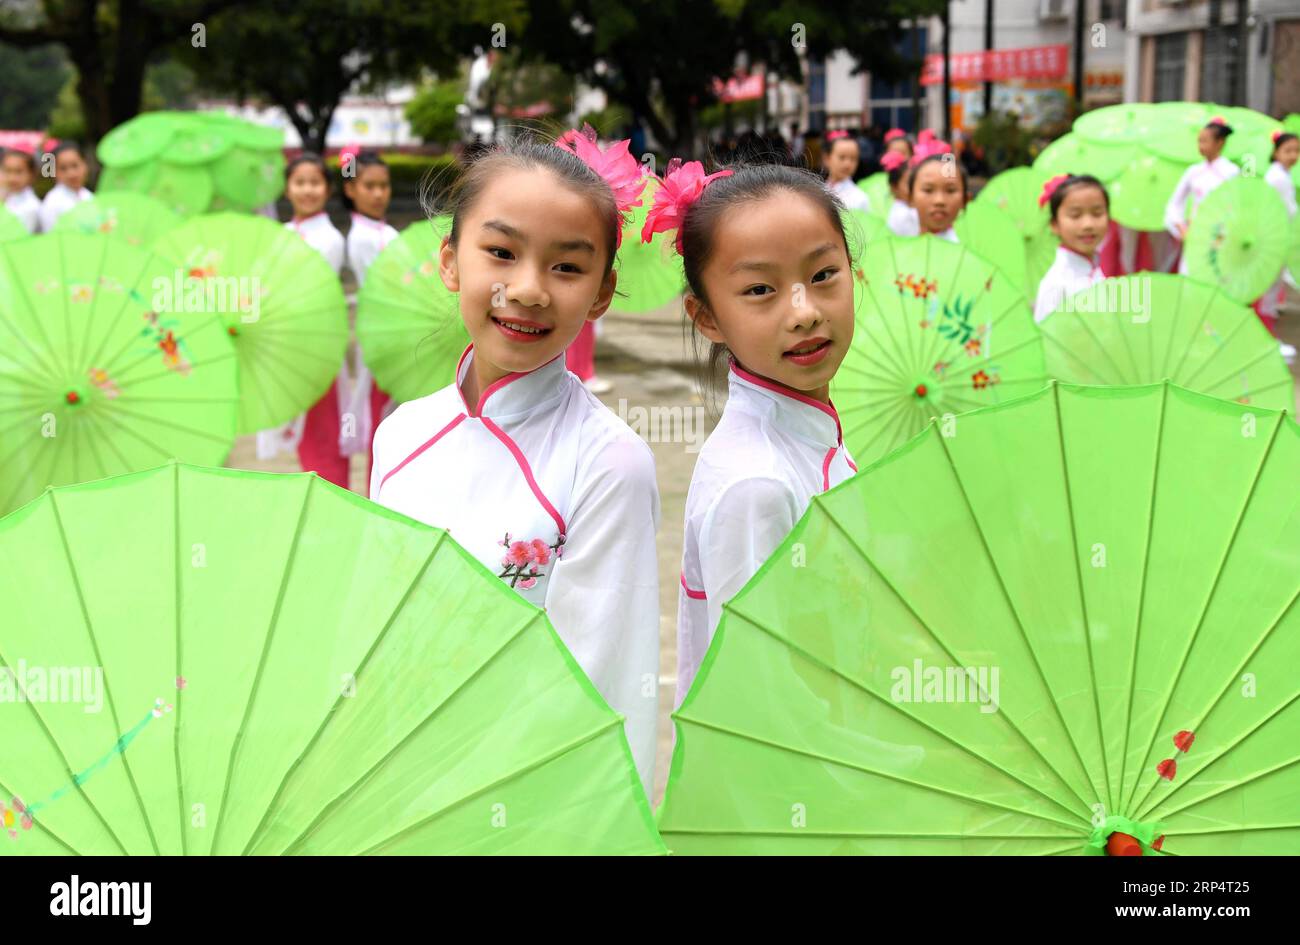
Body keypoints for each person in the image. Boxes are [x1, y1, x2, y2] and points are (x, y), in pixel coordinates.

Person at [369, 129, 661, 792]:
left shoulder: (610, 463)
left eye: (567, 266)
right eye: (500, 252)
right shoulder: (399, 436)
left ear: (604, 291)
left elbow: (606, 691)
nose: (528, 290)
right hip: (398, 795)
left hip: (525, 803)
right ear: (450, 261)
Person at [649, 160, 858, 704]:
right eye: (761, 288)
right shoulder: (756, 484)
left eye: (823, 275)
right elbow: (761, 698)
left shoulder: (811, 436)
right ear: (708, 318)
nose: (804, 312)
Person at [255, 153, 347, 475]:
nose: (307, 190)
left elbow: (310, 291)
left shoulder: (331, 239)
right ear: (287, 188)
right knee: (301, 434)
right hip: (284, 342)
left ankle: (332, 502)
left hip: (314, 343)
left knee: (322, 432)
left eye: (315, 182)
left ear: (327, 189)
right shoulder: (278, 234)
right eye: (300, 182)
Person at [341, 150, 400, 481]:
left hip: (390, 334)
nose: (379, 194)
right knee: (383, 423)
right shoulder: (362, 237)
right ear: (351, 190)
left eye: (384, 185)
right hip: (381, 338)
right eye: (369, 186)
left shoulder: (382, 231)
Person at [1163, 116, 1239, 275]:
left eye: (1205, 141)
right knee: (1190, 275)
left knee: (1216, 277)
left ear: (1220, 143)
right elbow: (1175, 203)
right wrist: (1181, 227)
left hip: (1221, 234)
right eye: (1199, 141)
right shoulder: (1193, 171)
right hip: (1195, 233)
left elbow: (1236, 205)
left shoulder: (1231, 172)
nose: (1200, 146)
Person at [1033, 174, 1109, 323]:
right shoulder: (1056, 284)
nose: (1088, 224)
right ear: (1055, 224)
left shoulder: (1097, 270)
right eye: (1075, 215)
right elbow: (1045, 338)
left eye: (1097, 213)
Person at [1261, 130, 1298, 361]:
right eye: (1288, 151)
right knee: (1269, 292)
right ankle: (1266, 338)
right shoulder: (1277, 177)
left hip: (1278, 238)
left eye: (1296, 150)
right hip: (1274, 239)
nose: (1293, 155)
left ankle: (1268, 336)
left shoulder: (1282, 175)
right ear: (1276, 152)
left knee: (1272, 292)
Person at [909, 144, 966, 242]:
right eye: (928, 190)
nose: (939, 200)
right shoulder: (899, 251)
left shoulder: (964, 254)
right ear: (910, 197)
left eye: (950, 190)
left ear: (965, 200)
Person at [37, 142, 92, 232]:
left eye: (75, 165)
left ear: (85, 165)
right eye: (63, 168)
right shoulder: (52, 203)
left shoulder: (89, 196)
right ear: (54, 172)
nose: (71, 174)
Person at [823, 130, 871, 212]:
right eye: (842, 157)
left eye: (853, 158)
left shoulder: (860, 198)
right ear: (827, 158)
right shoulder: (819, 190)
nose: (847, 164)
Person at [2, 147, 41, 233]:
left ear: (31, 174)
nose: (12, 178)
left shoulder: (31, 206)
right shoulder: (7, 197)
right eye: (8, 171)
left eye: (18, 172)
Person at [882, 150, 920, 237]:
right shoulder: (905, 215)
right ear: (894, 187)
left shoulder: (908, 209)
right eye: (909, 184)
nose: (914, 188)